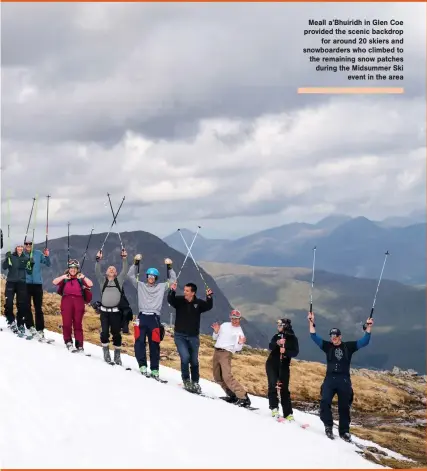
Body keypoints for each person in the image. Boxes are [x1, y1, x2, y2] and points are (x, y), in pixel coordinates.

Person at [308, 311, 373, 441]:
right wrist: (311, 321)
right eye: (332, 335)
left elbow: (364, 341)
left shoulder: (348, 346)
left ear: (340, 336)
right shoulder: (327, 346)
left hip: (344, 380)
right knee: (325, 401)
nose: (333, 338)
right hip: (330, 380)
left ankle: (344, 432)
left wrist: (369, 327)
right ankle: (328, 426)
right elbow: (314, 336)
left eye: (336, 335)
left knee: (344, 406)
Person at [127, 254, 177, 379]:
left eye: (153, 276)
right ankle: (142, 366)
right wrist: (136, 263)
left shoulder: (161, 287)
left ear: (156, 278)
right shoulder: (140, 285)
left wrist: (169, 267)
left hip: (154, 318)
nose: (150, 278)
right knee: (139, 342)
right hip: (142, 316)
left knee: (154, 344)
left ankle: (155, 370)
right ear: (147, 276)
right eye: (149, 276)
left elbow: (173, 280)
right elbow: (130, 275)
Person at [167, 281, 213, 393]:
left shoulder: (198, 303)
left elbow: (208, 306)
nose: (185, 292)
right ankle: (186, 380)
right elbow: (170, 300)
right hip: (180, 336)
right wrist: (171, 290)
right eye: (184, 290)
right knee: (185, 357)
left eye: (187, 291)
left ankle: (195, 382)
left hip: (193, 337)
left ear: (193, 293)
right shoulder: (179, 301)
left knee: (194, 361)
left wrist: (209, 297)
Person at [211, 309, 251, 407]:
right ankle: (232, 395)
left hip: (226, 353)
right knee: (217, 377)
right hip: (217, 351)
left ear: (240, 319)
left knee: (227, 376)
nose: (235, 320)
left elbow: (237, 348)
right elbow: (214, 338)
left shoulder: (239, 332)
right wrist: (216, 332)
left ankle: (243, 397)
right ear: (230, 318)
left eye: (237, 319)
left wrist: (240, 343)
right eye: (233, 318)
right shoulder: (224, 325)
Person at [95, 249, 128, 365]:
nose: (112, 269)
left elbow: (125, 270)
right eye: (110, 268)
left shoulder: (119, 280)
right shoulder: (102, 281)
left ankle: (117, 356)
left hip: (115, 313)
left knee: (116, 334)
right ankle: (106, 352)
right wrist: (98, 260)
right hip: (104, 312)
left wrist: (124, 258)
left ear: (116, 273)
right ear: (106, 272)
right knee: (104, 333)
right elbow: (96, 271)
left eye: (114, 269)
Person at [53, 259, 93, 352]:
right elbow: (54, 282)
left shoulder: (80, 279)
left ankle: (79, 345)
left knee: (77, 323)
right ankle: (68, 341)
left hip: (79, 302)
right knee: (66, 323)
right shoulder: (65, 279)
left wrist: (83, 277)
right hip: (66, 301)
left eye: (75, 268)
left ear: (77, 269)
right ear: (69, 269)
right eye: (71, 268)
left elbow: (91, 284)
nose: (73, 270)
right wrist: (63, 276)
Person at [265, 318, 299, 421]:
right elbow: (270, 346)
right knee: (272, 385)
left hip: (284, 365)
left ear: (285, 326)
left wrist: (285, 351)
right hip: (272, 363)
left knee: (284, 389)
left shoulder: (293, 338)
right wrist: (277, 343)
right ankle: (274, 407)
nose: (278, 327)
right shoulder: (277, 336)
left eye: (280, 325)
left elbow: (295, 352)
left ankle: (288, 413)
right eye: (278, 325)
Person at [2, 244, 35, 336]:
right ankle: (11, 321)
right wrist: (6, 258)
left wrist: (31, 264)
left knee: (21, 304)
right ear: (15, 248)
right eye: (18, 246)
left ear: (22, 248)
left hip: (21, 283)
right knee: (8, 302)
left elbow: (29, 271)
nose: (20, 248)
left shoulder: (26, 258)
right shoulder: (11, 257)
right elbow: (4, 267)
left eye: (21, 246)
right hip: (11, 282)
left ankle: (20, 323)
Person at [24, 240, 51, 340]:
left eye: (30, 244)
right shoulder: (22, 254)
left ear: (32, 245)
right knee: (27, 306)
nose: (28, 245)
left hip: (37, 284)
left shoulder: (38, 253)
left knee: (38, 308)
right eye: (26, 244)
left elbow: (48, 264)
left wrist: (47, 255)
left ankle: (40, 329)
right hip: (26, 284)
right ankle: (30, 326)